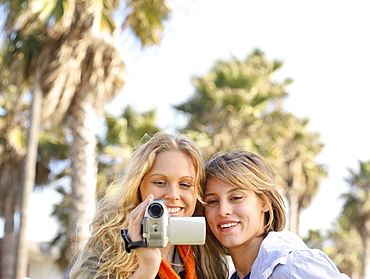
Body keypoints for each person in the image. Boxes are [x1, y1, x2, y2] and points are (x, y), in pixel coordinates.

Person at [69, 132, 219, 279]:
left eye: (185, 184)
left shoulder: (205, 250)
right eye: (160, 182)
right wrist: (147, 268)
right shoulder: (106, 245)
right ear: (138, 187)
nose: (173, 195)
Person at [201, 149, 350, 279]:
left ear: (265, 202)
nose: (223, 211)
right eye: (212, 201)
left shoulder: (292, 267)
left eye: (236, 198)